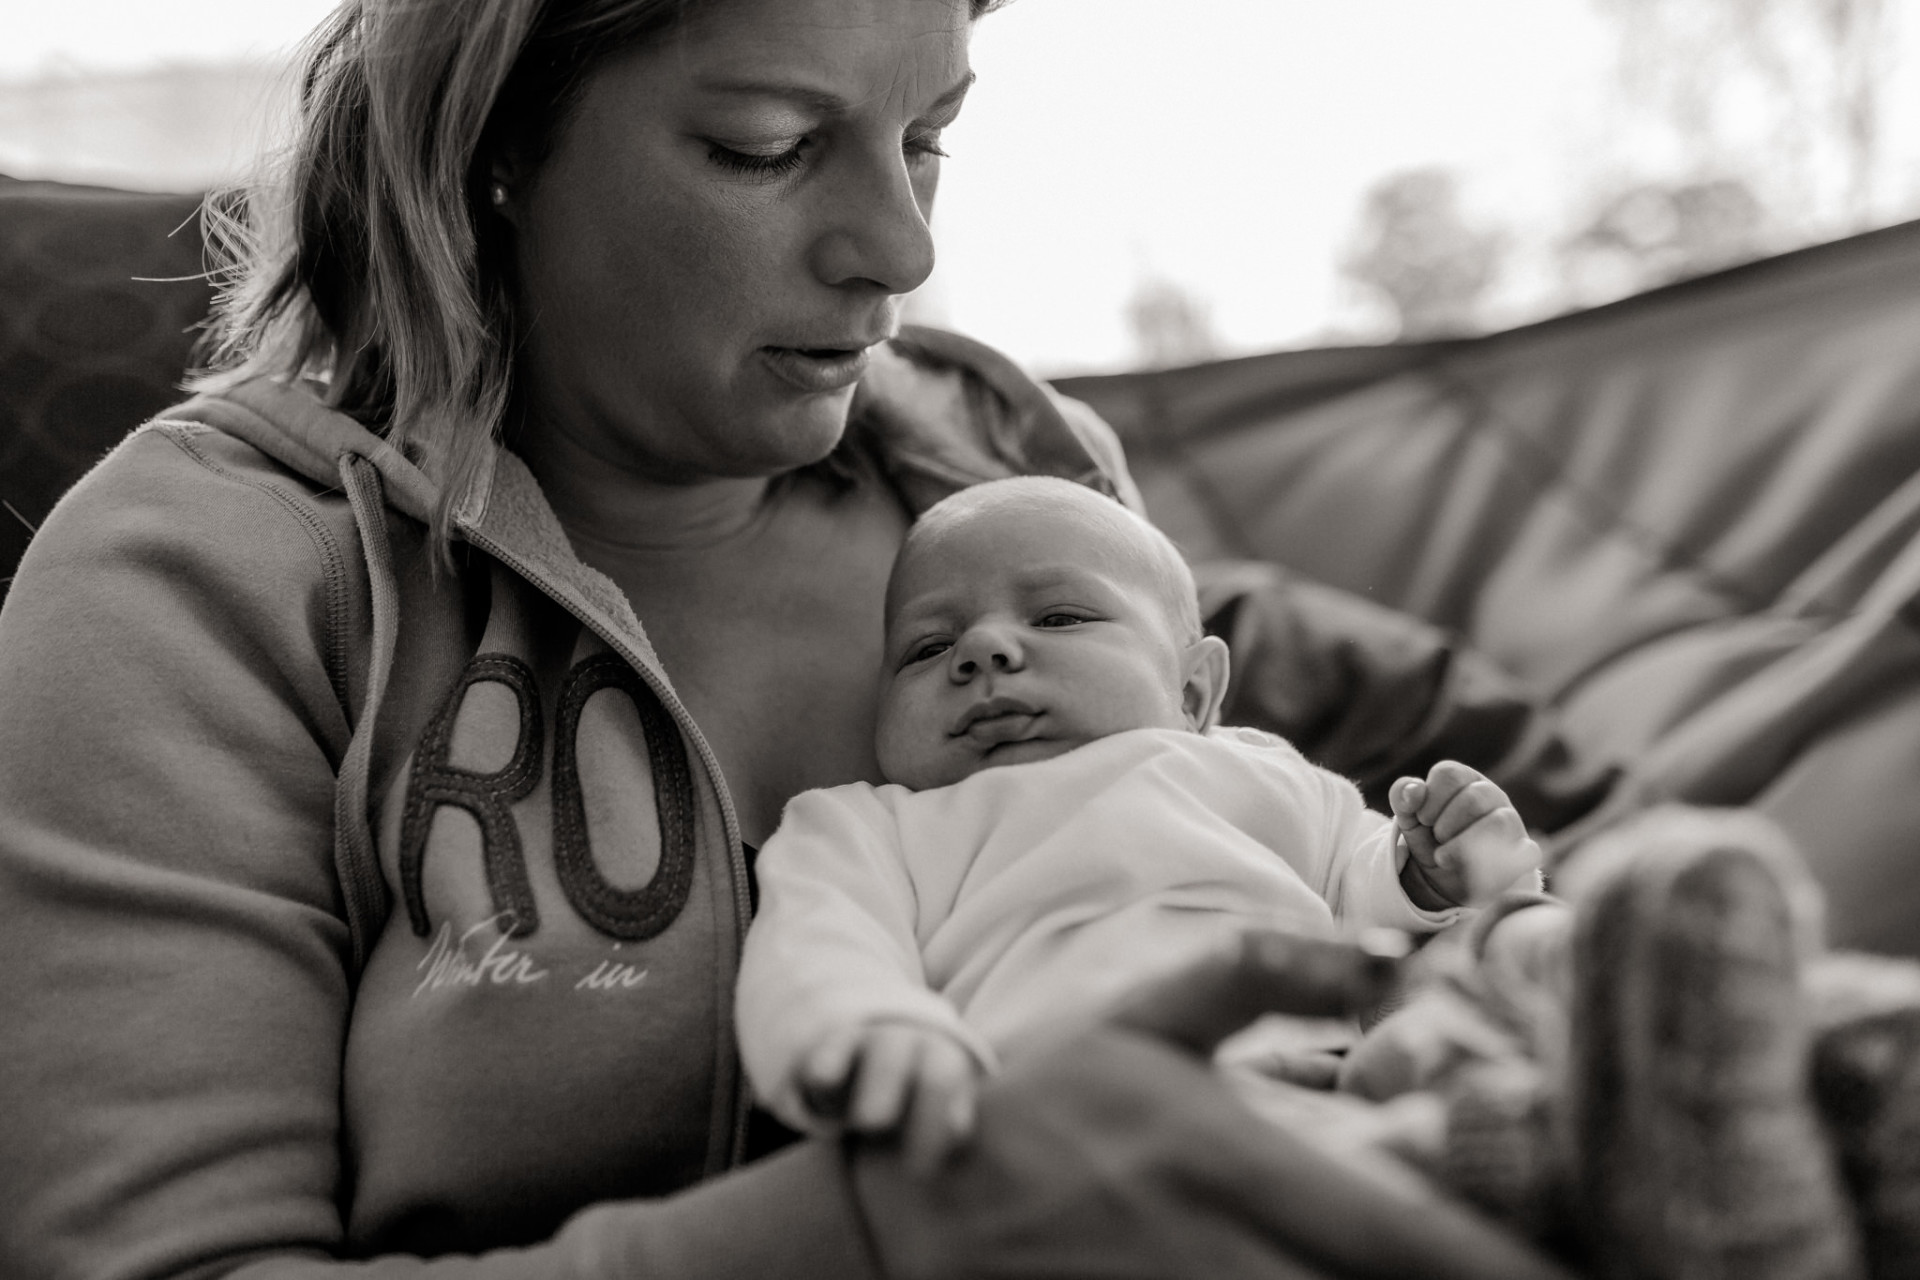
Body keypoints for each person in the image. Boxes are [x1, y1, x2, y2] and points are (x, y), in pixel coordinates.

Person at [0, 0, 1579, 1277]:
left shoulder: (992, 469)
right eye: (767, 147)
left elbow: (1317, 753)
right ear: (489, 145)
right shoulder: (208, 578)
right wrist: (893, 1228)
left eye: (930, 137)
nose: (897, 249)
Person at [736, 476, 1543, 1168]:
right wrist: (875, 1031)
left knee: (1467, 1059)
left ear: (1193, 694)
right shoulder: (871, 825)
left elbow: (1366, 893)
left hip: (1319, 1088)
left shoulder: (1261, 774)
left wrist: (1427, 871)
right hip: (1055, 1126)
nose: (981, 650)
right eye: (925, 648)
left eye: (1058, 618)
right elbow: (818, 942)